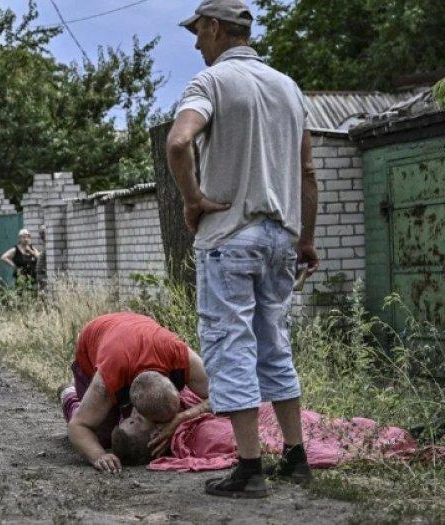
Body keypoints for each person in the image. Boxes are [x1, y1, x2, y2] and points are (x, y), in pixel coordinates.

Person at [168, 0, 319, 498]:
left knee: (229, 345)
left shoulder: (210, 83)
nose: (195, 44)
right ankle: (295, 458)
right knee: (274, 344)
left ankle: (250, 468)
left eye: (198, 32)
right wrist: (308, 239)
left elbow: (178, 142)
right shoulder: (289, 88)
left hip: (230, 238)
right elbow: (308, 173)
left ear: (215, 28)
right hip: (281, 238)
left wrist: (193, 200)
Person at [58, 312, 209, 473]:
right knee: (101, 438)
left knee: (132, 435)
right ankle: (69, 395)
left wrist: (182, 417)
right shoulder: (107, 380)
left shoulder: (179, 354)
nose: (166, 425)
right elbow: (78, 427)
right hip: (95, 345)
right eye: (160, 422)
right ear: (136, 411)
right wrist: (99, 456)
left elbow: (223, 395)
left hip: (135, 330)